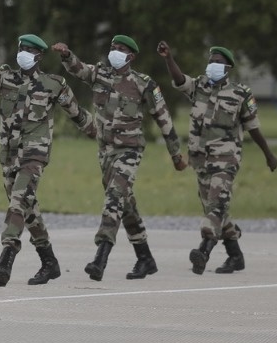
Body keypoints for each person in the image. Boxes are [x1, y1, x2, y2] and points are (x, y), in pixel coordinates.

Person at [52, 35, 187, 282]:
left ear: (131, 56)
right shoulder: (100, 74)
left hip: (130, 151)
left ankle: (100, 258)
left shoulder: (143, 83)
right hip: (105, 152)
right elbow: (79, 69)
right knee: (125, 205)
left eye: (120, 49)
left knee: (114, 198)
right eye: (112, 47)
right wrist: (66, 54)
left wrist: (176, 154)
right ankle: (145, 258)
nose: (114, 51)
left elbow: (163, 118)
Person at [0, 31, 95, 287]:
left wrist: (100, 134)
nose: (22, 53)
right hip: (9, 156)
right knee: (28, 209)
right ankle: (49, 262)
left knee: (17, 202)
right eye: (20, 48)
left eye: (27, 50)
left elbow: (77, 113)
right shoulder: (6, 78)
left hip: (34, 154)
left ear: (38, 55)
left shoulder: (53, 84)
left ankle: (7, 255)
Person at [157, 41, 277, 275]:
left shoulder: (240, 93)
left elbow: (253, 128)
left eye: (218, 62)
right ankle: (236, 256)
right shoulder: (199, 86)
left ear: (228, 67)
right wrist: (168, 58)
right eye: (210, 61)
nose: (212, 65)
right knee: (216, 209)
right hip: (201, 160)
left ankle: (203, 251)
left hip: (226, 159)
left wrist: (269, 155)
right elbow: (180, 80)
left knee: (216, 207)